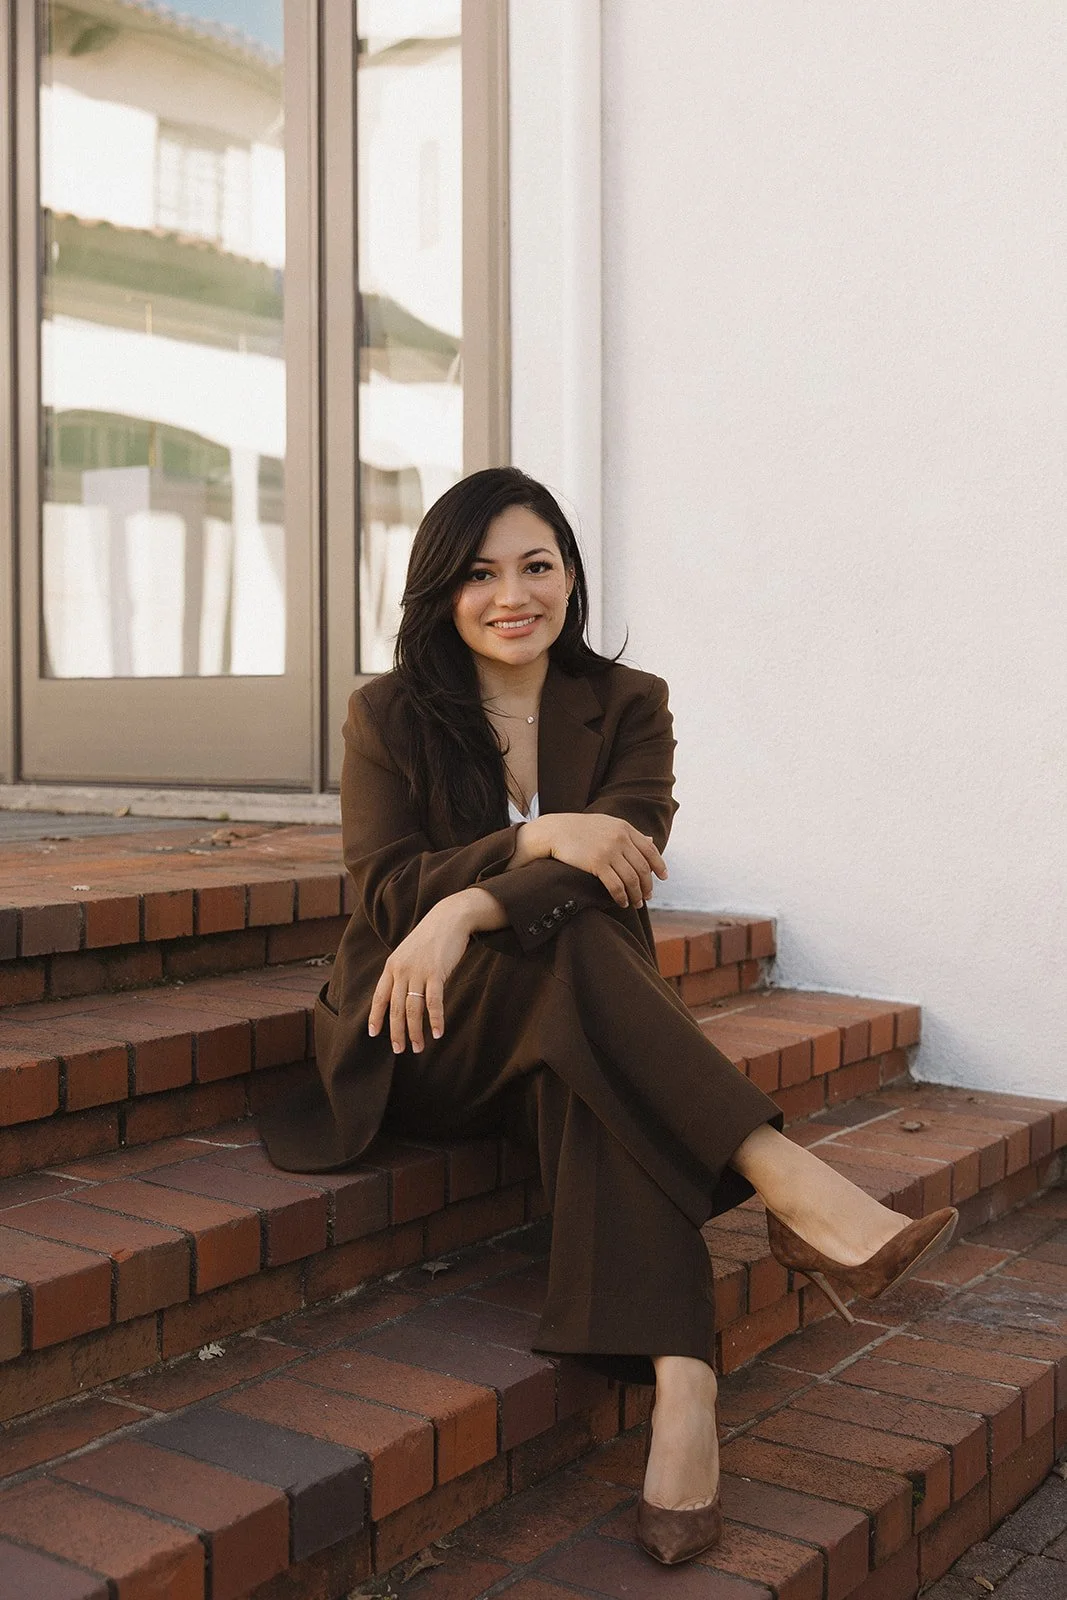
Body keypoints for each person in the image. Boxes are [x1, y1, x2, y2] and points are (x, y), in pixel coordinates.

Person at [260, 466, 957, 1567]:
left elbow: (620, 869)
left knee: (582, 989)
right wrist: (533, 844)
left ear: (571, 574)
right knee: (575, 956)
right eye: (479, 573)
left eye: (537, 565)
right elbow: (390, 896)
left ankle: (684, 1393)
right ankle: (789, 1184)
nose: (511, 594)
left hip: (561, 1007)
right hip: (419, 1028)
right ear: (439, 590)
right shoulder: (385, 713)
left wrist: (473, 904)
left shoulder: (629, 703)